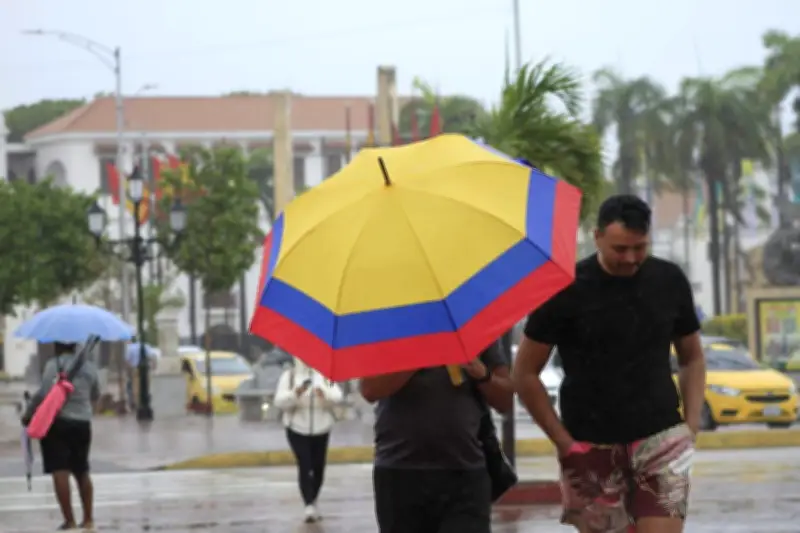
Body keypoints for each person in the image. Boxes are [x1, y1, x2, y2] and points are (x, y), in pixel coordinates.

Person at [513, 194, 706, 533]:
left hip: (661, 437)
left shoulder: (669, 280)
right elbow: (525, 373)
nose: (631, 259)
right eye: (620, 249)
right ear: (597, 235)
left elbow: (691, 356)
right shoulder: (563, 289)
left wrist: (689, 426)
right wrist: (564, 443)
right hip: (589, 446)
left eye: (640, 247)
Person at [361, 342, 514, 533]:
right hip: (400, 474)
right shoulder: (389, 329)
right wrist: (424, 352)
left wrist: (482, 374)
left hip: (465, 474)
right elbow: (370, 389)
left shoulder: (472, 329)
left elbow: (505, 400)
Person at [26, 342, 100, 531]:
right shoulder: (89, 367)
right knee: (82, 469)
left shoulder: (53, 365)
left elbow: (44, 393)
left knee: (60, 470)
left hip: (57, 423)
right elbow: (96, 394)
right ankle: (89, 519)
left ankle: (70, 521)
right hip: (83, 423)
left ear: (57, 345)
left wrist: (29, 413)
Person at [273, 357, 343, 523]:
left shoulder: (325, 376)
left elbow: (338, 395)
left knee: (318, 467)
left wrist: (324, 394)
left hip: (322, 427)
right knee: (304, 464)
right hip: (296, 428)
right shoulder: (289, 376)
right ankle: (308, 505)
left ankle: (313, 498)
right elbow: (279, 401)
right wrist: (295, 394)